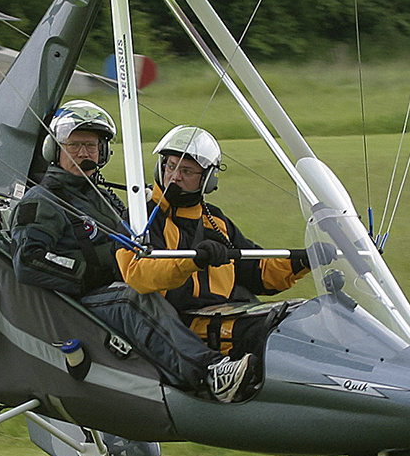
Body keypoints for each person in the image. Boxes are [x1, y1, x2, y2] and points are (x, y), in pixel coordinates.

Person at [7, 101, 250, 403]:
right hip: (76, 302)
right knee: (132, 297)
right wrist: (90, 273)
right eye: (75, 145)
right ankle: (209, 373)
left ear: (103, 153)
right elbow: (30, 259)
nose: (84, 154)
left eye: (91, 147)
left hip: (108, 289)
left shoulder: (103, 198)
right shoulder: (43, 201)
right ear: (54, 150)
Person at [117, 125, 317, 354]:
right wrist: (194, 261)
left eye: (187, 171)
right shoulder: (141, 216)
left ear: (207, 179)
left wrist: (302, 261)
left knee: (306, 319)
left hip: (227, 315)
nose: (175, 177)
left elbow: (258, 272)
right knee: (271, 334)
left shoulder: (215, 220)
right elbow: (137, 275)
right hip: (179, 325)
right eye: (171, 167)